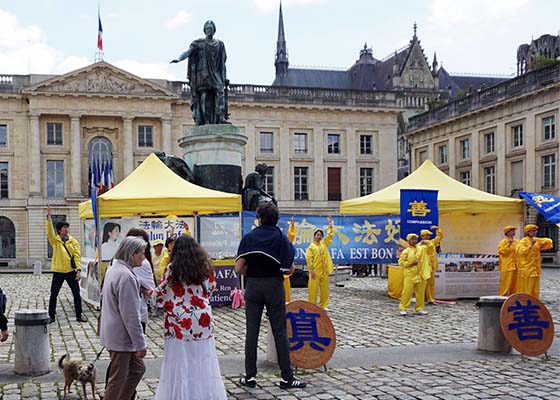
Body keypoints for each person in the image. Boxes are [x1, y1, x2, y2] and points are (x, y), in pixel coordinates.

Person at [235, 202, 306, 389]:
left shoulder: (249, 238)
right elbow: (289, 269)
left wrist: (252, 272)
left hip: (254, 285)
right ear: (277, 219)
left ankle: (250, 377)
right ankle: (286, 378)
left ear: (259, 218)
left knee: (252, 332)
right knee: (280, 331)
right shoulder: (282, 239)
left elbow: (238, 267)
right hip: (274, 285)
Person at [154, 235, 227, 399]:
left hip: (178, 322)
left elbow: (161, 294)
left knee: (179, 363)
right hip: (202, 319)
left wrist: (149, 295)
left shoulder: (172, 269)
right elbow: (210, 289)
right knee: (202, 361)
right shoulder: (205, 267)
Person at [100, 237, 147, 400]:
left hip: (115, 332)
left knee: (137, 369)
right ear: (132, 253)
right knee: (117, 380)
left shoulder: (115, 269)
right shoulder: (125, 276)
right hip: (121, 336)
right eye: (141, 253)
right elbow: (131, 315)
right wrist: (140, 344)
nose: (144, 257)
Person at [170, 20, 229, 125]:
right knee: (204, 96)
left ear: (214, 30)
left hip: (215, 73)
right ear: (204, 30)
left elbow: (223, 63)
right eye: (207, 29)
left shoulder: (220, 44)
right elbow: (188, 52)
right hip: (202, 73)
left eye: (210, 29)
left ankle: (220, 117)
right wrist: (179, 59)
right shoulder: (199, 43)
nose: (208, 31)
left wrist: (224, 78)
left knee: (220, 93)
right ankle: (205, 120)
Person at [46, 206, 87, 324]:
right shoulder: (55, 240)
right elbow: (49, 231)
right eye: (64, 228)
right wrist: (49, 218)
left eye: (67, 228)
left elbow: (77, 256)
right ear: (59, 230)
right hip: (58, 271)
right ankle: (51, 316)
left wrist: (79, 271)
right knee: (54, 294)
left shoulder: (73, 241)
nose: (66, 229)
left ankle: (79, 315)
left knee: (76, 294)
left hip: (70, 271)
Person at [125, 228, 156, 333]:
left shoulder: (144, 263)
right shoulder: (117, 261)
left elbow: (150, 290)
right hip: (126, 312)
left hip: (134, 311)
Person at [516, 224, 553, 299]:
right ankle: (526, 302)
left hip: (535, 269)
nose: (535, 232)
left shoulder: (536, 240)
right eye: (533, 231)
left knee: (535, 289)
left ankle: (534, 302)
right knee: (528, 288)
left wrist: (543, 245)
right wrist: (530, 246)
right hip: (527, 269)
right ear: (528, 232)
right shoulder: (523, 241)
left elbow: (549, 241)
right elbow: (520, 252)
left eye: (535, 231)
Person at [306, 215, 334, 310]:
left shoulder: (324, 243)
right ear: (314, 236)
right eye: (317, 235)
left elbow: (330, 235)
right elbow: (309, 259)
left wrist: (330, 224)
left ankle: (324, 305)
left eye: (320, 235)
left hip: (324, 271)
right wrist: (311, 270)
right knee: (313, 290)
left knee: (324, 289)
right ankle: (312, 306)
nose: (319, 236)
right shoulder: (311, 247)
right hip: (315, 271)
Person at [398, 233, 430, 316]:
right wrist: (410, 263)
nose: (414, 241)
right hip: (410, 274)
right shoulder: (406, 251)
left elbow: (430, 247)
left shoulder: (421, 249)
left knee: (420, 292)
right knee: (407, 292)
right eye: (412, 239)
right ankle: (403, 307)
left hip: (420, 274)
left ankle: (419, 308)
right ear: (408, 241)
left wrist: (426, 242)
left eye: (415, 239)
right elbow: (401, 262)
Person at [418, 226, 442, 304]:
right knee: (422, 284)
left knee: (431, 284)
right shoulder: (419, 245)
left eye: (429, 235)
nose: (428, 236)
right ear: (422, 236)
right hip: (423, 267)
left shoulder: (432, 242)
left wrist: (437, 229)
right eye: (427, 235)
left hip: (431, 267)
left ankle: (430, 299)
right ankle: (422, 299)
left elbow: (439, 237)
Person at [497, 225, 519, 296]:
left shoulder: (516, 242)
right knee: (506, 283)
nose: (513, 232)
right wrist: (508, 245)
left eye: (514, 231)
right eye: (512, 231)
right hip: (507, 266)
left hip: (516, 266)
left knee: (515, 283)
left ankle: (513, 297)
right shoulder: (503, 242)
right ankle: (503, 296)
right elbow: (501, 251)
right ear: (507, 232)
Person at [284, 216, 297, 303]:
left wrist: (292, 225)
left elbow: (291, 236)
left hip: (284, 274)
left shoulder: (286, 244)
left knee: (286, 290)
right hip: (274, 275)